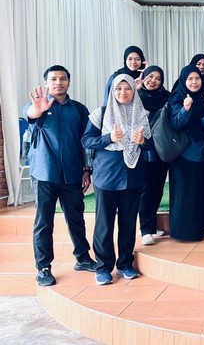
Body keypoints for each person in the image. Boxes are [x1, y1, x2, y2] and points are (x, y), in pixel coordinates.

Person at [24, 65, 96, 286]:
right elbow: (30, 114)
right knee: (44, 222)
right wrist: (38, 110)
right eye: (53, 79)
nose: (58, 82)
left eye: (63, 78)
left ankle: (83, 258)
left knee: (76, 218)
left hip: (72, 172)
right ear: (46, 83)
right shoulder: (38, 105)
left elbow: (85, 142)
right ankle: (43, 267)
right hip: (44, 173)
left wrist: (87, 169)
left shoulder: (79, 109)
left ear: (69, 82)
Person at [82, 74, 152, 285]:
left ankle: (125, 264)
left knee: (128, 222)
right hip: (106, 176)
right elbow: (86, 140)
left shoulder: (141, 113)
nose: (123, 92)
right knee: (104, 224)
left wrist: (143, 141)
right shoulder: (101, 113)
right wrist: (109, 138)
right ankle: (103, 267)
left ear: (134, 90)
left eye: (127, 88)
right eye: (119, 88)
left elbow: (150, 145)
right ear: (112, 91)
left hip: (132, 175)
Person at [167, 65, 204, 241]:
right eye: (190, 79)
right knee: (185, 195)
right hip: (182, 155)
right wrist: (185, 109)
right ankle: (185, 232)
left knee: (201, 192)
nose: (194, 82)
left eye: (197, 78)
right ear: (183, 80)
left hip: (202, 152)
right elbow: (175, 123)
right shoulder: (177, 97)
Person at [136, 66, 171, 246]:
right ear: (143, 78)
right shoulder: (136, 97)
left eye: (158, 78)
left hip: (161, 148)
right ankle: (145, 229)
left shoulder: (167, 97)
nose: (153, 81)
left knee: (157, 188)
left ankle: (150, 224)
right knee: (146, 189)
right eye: (150, 76)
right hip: (142, 148)